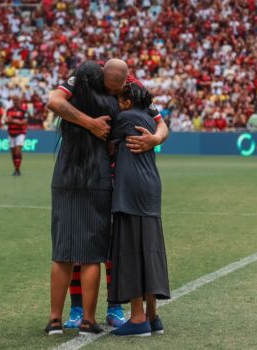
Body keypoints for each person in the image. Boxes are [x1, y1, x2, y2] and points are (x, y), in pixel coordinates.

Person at [51, 59, 168, 329]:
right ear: (102, 77)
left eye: (119, 92)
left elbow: (161, 124)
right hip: (87, 170)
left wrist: (155, 139)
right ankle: (77, 309)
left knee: (113, 244)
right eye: (110, 90)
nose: (115, 96)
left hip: (117, 174)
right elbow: (54, 101)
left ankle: (114, 306)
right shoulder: (83, 79)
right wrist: (90, 123)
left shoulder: (133, 87)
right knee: (83, 243)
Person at [45, 61, 119, 336]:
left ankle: (55, 319)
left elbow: (55, 101)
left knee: (62, 252)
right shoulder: (110, 105)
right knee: (91, 256)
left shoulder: (70, 102)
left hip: (65, 176)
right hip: (97, 178)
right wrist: (93, 125)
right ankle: (88, 319)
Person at [108, 83, 170, 336]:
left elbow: (103, 137)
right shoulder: (148, 118)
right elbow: (163, 127)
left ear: (126, 101)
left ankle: (137, 318)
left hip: (131, 190)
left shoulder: (125, 118)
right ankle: (153, 316)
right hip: (150, 188)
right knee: (150, 249)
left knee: (131, 249)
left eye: (119, 99)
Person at [5, 95, 28, 176]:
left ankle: (18, 169)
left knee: (18, 151)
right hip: (11, 133)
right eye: (13, 100)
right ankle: (16, 169)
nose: (15, 101)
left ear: (19, 100)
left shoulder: (23, 111)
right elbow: (6, 121)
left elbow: (24, 122)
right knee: (13, 153)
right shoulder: (8, 110)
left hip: (20, 133)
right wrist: (8, 121)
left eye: (16, 100)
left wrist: (12, 121)